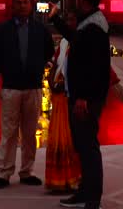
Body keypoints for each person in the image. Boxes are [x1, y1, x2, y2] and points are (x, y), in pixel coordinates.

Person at [49, 0, 111, 209]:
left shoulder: (94, 27)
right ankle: (85, 193)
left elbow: (94, 66)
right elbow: (76, 40)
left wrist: (83, 97)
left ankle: (93, 199)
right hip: (82, 96)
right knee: (83, 146)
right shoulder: (90, 23)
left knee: (88, 147)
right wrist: (55, 18)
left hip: (87, 98)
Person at [0, 0, 55, 190]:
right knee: (8, 132)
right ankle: (4, 172)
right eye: (18, 2)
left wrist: (40, 67)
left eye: (25, 2)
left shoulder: (40, 30)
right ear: (12, 6)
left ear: (30, 5)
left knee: (29, 132)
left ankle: (27, 171)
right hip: (10, 88)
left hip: (33, 87)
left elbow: (50, 52)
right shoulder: (2, 30)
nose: (22, 5)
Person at [46, 11, 82, 194]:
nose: (69, 23)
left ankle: (74, 179)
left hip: (74, 97)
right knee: (59, 137)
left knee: (73, 140)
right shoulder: (64, 42)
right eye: (67, 20)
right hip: (60, 96)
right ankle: (58, 179)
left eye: (72, 20)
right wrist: (52, 82)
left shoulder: (82, 40)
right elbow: (55, 64)